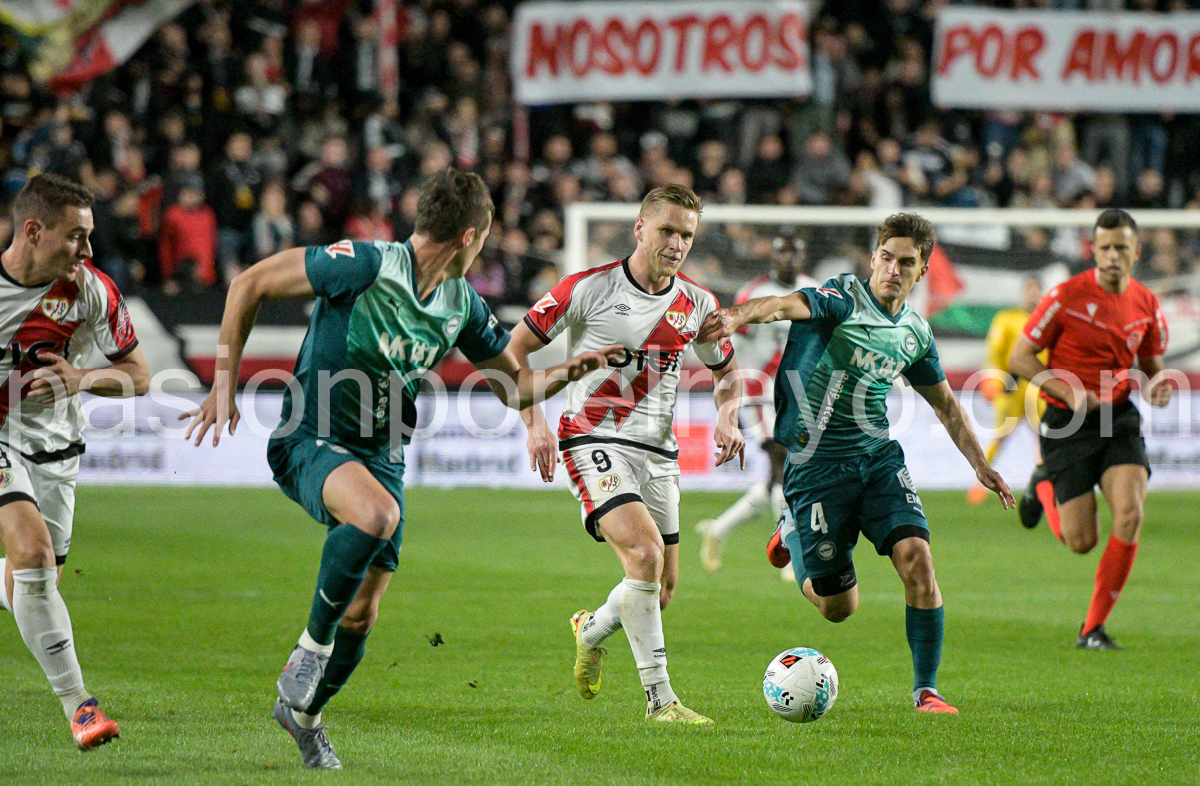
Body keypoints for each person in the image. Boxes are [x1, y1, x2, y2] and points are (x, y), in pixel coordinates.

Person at [182, 169, 621, 770]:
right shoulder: (364, 264)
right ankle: (308, 652)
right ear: (469, 235)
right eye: (485, 240)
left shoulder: (461, 302)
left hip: (383, 453)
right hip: (311, 436)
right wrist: (226, 382)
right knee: (376, 516)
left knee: (363, 610)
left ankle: (304, 717)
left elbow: (513, 389)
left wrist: (576, 369)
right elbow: (249, 282)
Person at [698, 213, 1015, 715]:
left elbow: (947, 406)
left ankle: (925, 691)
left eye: (905, 262)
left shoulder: (914, 333)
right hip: (815, 464)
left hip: (877, 458)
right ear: (873, 258)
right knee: (838, 608)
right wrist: (737, 317)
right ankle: (792, 531)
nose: (892, 269)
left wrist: (980, 464)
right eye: (885, 258)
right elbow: (783, 304)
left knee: (918, 558)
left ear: (922, 269)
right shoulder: (840, 298)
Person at [512, 184, 745, 725]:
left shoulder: (699, 304)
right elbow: (511, 352)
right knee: (643, 555)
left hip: (658, 453)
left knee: (659, 591)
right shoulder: (586, 289)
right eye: (667, 230)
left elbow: (727, 371)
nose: (677, 243)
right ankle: (661, 702)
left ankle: (589, 629)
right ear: (640, 228)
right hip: (591, 438)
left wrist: (727, 415)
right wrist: (535, 422)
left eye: (687, 234)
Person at [0, 173, 150, 749]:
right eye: (76, 237)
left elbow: (139, 377)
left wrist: (81, 378)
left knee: (34, 585)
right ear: (34, 231)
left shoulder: (91, 291)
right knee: (32, 553)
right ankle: (81, 708)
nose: (87, 251)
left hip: (57, 451)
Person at [1010, 209, 1171, 650]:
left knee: (1131, 513)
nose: (1113, 256)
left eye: (1122, 247)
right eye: (1104, 248)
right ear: (1093, 251)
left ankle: (1092, 629)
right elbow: (1020, 358)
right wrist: (1069, 391)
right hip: (1066, 423)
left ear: (1137, 251)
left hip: (1118, 418)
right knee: (1081, 541)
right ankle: (1044, 484)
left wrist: (1158, 386)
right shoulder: (1065, 296)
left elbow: (1152, 364)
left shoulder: (1147, 304)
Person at [696, 231, 818, 576]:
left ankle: (717, 530)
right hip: (760, 389)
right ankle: (790, 556)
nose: (789, 260)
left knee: (777, 477)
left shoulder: (814, 288)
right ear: (773, 257)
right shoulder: (753, 293)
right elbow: (732, 341)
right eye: (782, 253)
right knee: (783, 462)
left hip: (798, 391)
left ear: (803, 257)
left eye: (795, 253)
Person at [966, 275, 1046, 505]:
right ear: (1024, 293)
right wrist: (993, 380)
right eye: (1030, 290)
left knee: (1043, 438)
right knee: (999, 437)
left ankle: (1043, 485)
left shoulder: (1046, 321)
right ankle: (980, 481)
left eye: (1037, 290)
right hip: (1012, 387)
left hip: (1038, 389)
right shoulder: (1007, 319)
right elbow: (994, 352)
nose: (1033, 295)